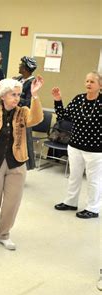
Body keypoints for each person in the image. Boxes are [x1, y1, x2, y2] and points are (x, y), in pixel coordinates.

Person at [0, 75, 44, 250]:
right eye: (13, 94)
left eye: (18, 95)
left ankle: (3, 234)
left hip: (17, 163)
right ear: (3, 95)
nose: (16, 98)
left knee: (12, 202)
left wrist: (35, 96)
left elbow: (36, 119)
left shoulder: (23, 112)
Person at [53, 71, 101, 219]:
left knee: (94, 180)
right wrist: (58, 100)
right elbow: (63, 116)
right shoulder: (79, 99)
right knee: (74, 176)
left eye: (92, 81)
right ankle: (70, 202)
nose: (88, 84)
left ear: (100, 85)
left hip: (95, 150)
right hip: (75, 146)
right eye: (87, 81)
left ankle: (93, 209)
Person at [0, 53, 38, 170]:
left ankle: (21, 168)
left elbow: (29, 102)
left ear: (25, 68)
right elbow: (5, 84)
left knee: (21, 143)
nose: (19, 66)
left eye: (21, 65)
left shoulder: (32, 82)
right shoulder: (18, 79)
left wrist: (15, 98)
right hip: (11, 116)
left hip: (22, 118)